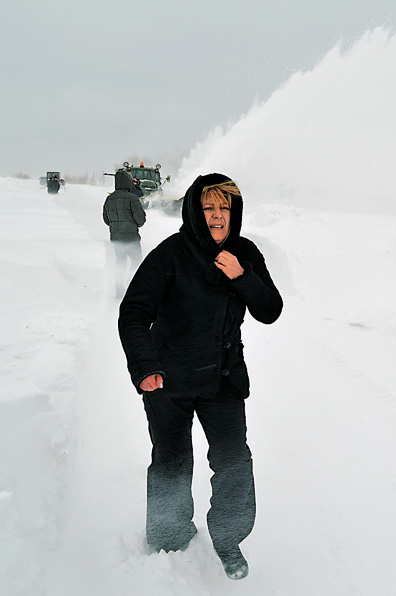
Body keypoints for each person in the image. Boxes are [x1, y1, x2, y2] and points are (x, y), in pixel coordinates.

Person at [118, 173, 282, 580]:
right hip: (168, 381)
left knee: (232, 462)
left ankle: (228, 541)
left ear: (235, 212)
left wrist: (241, 277)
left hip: (223, 380)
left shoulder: (245, 253)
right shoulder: (171, 255)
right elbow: (134, 313)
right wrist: (145, 366)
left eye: (224, 208)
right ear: (194, 211)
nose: (216, 216)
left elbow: (270, 309)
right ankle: (169, 537)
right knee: (172, 461)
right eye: (208, 207)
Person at [103, 169, 147, 297]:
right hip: (132, 239)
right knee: (137, 263)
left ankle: (119, 291)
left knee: (120, 263)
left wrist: (116, 227)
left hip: (116, 239)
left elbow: (106, 219)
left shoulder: (109, 199)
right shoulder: (132, 198)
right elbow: (140, 220)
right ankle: (134, 289)